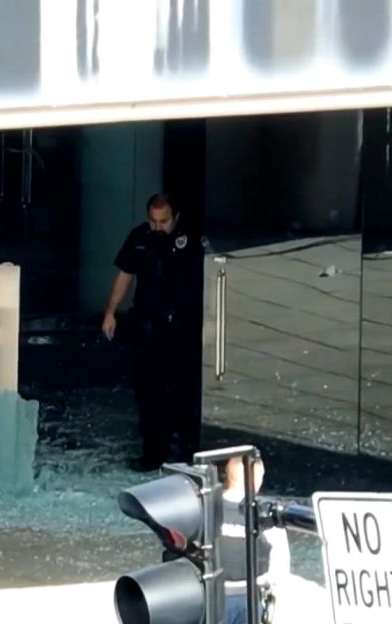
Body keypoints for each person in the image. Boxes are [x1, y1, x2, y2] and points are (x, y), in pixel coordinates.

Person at [101, 193, 205, 472]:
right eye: (154, 221)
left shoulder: (191, 239)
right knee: (149, 392)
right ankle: (153, 452)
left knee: (184, 390)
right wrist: (111, 311)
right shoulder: (140, 238)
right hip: (149, 323)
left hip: (182, 325)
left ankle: (188, 451)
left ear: (175, 217)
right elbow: (125, 274)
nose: (159, 227)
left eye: (164, 221)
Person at [218, 457, 289, 624]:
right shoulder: (267, 515)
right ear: (257, 478)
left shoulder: (206, 509)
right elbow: (280, 568)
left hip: (211, 598)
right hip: (250, 600)